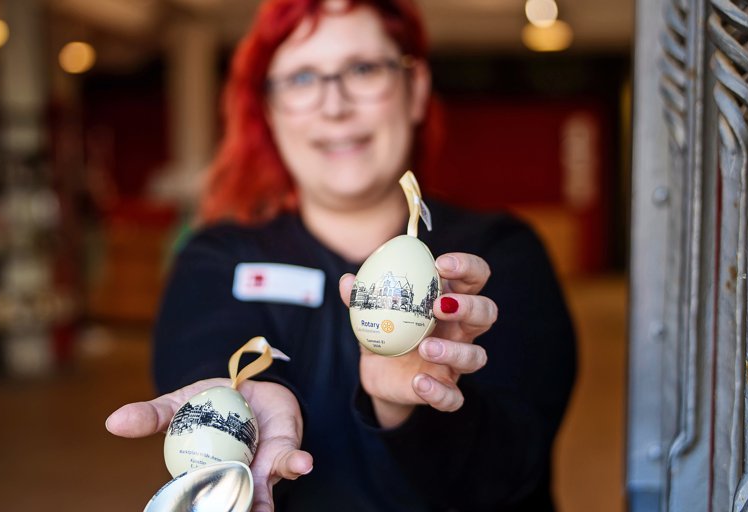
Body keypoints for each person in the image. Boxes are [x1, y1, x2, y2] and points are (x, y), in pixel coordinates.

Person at [105, 0, 576, 510]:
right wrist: (244, 397)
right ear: (269, 109)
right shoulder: (218, 256)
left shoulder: (496, 255)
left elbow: (513, 469)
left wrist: (410, 403)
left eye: (364, 69)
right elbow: (205, 349)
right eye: (302, 78)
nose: (334, 105)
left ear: (416, 90)